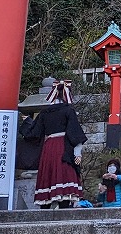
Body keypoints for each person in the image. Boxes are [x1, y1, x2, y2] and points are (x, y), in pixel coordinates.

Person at [25, 80, 87, 208]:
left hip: (49, 148)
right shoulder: (68, 111)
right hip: (64, 147)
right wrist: (77, 152)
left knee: (48, 174)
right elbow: (75, 132)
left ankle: (45, 206)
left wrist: (27, 122)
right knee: (64, 175)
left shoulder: (44, 113)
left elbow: (34, 133)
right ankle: (64, 206)